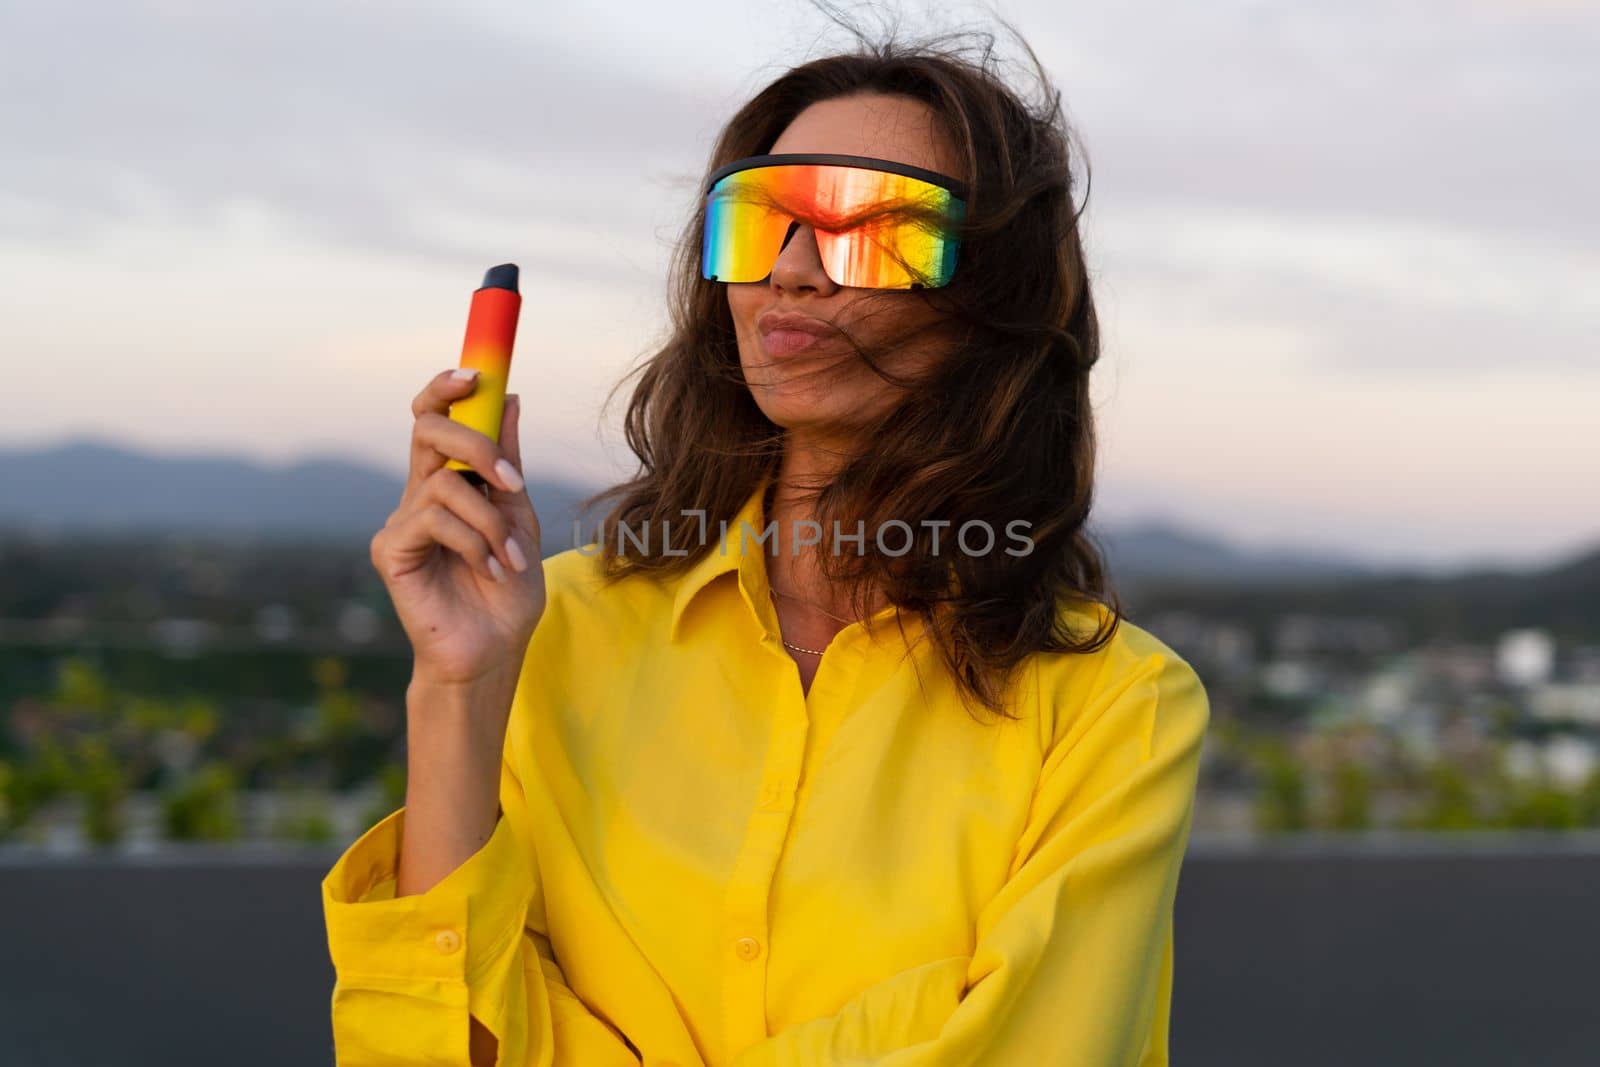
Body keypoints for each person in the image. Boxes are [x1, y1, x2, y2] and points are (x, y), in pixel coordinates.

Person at [322, 19, 1210, 1067]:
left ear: (996, 298)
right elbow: (429, 1048)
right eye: (758, 220)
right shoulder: (545, 633)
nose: (791, 271)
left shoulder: (1114, 710)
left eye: (869, 226)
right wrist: (458, 685)